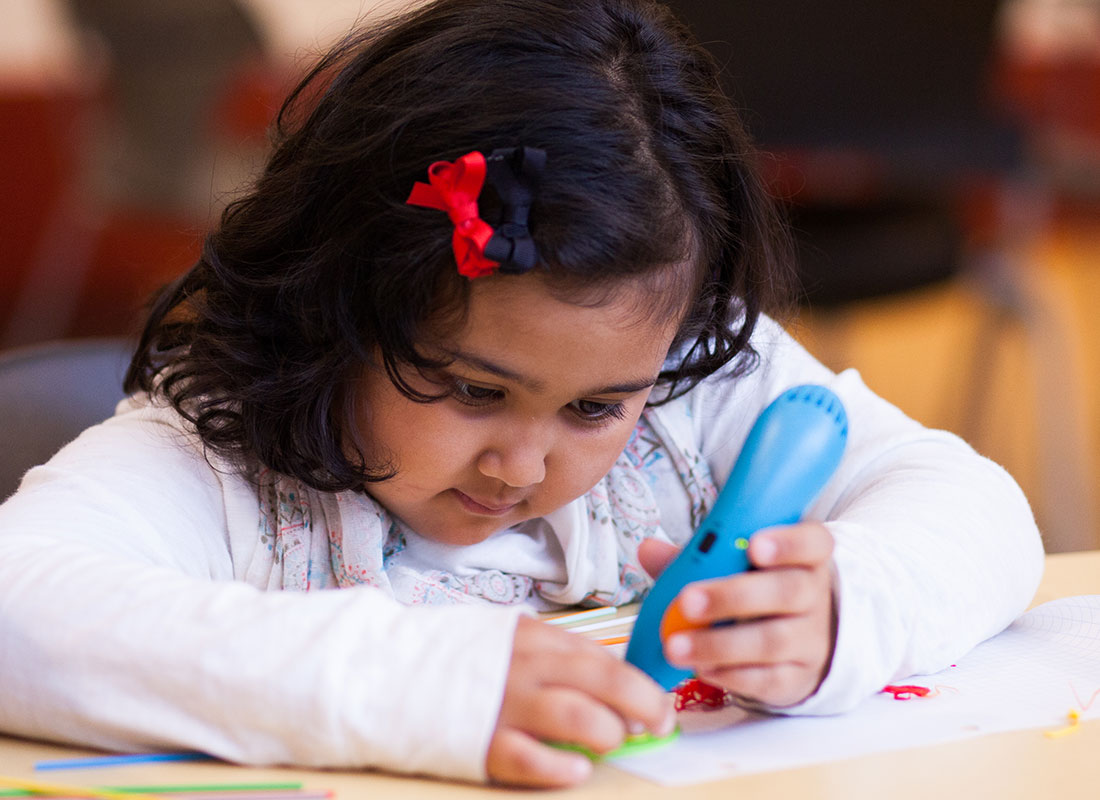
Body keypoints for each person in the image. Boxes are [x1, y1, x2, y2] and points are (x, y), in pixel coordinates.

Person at [0, 0, 1043, 789]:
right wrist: (420, 685)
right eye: (468, 388)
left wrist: (850, 600)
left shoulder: (689, 380)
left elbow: (970, 504)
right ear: (338, 301)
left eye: (593, 409)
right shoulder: (221, 457)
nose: (523, 463)